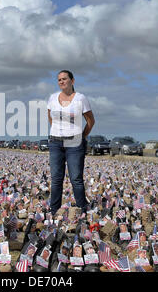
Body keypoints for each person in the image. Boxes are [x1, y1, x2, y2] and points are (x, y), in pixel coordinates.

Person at [47, 70, 95, 216]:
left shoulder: (81, 98)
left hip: (74, 142)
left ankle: (83, 208)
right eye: (59, 80)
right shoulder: (52, 97)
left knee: (76, 178)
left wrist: (82, 136)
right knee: (56, 178)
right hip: (55, 142)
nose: (61, 81)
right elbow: (50, 117)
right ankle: (54, 210)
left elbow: (90, 121)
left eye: (64, 79)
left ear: (72, 81)